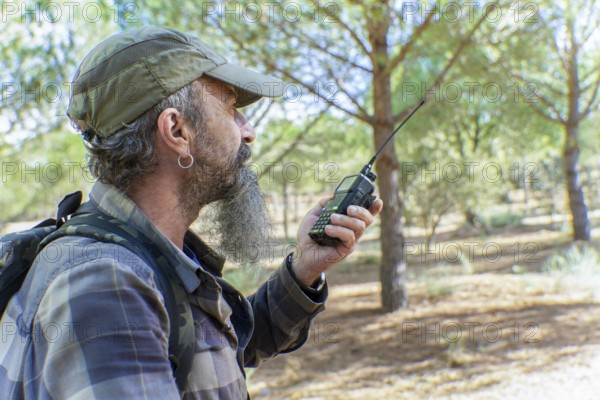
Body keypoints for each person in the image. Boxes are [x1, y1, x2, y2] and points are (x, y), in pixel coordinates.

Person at [0, 26, 382, 399]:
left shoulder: (151, 258)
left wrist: (304, 269)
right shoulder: (106, 287)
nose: (248, 131)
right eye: (231, 108)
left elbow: (224, 350)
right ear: (177, 131)